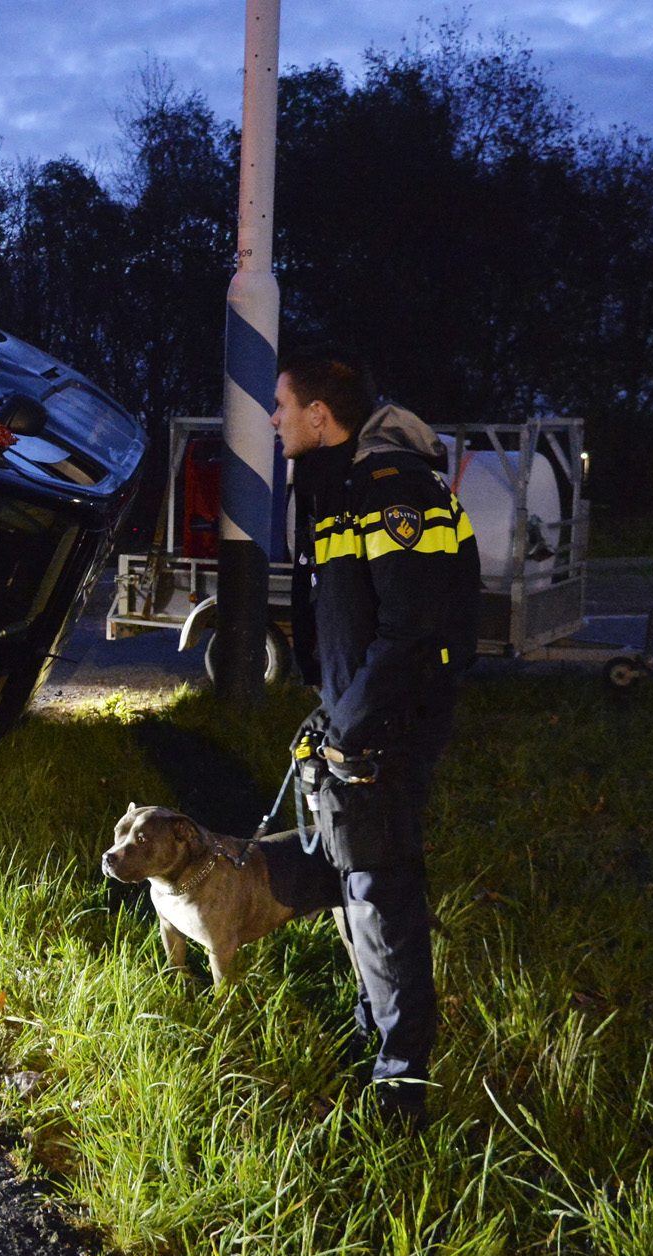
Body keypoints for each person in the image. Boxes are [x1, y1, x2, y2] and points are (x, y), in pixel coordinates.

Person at [272, 344, 480, 1127]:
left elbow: (413, 629)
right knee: (355, 889)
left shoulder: (391, 487)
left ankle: (401, 1090)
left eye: (283, 405)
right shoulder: (337, 484)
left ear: (318, 415)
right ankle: (377, 1045)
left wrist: (348, 724)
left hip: (384, 725)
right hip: (355, 717)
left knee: (379, 893)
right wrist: (329, 713)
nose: (273, 417)